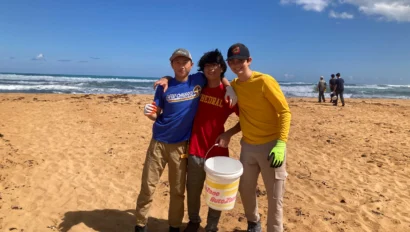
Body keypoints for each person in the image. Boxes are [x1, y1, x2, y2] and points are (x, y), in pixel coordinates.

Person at [134, 48, 237, 232]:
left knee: (179, 191)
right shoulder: (165, 86)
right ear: (171, 64)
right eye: (177, 62)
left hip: (185, 146)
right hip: (162, 142)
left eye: (184, 62)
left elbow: (217, 74)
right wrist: (150, 113)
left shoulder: (198, 80)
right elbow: (156, 112)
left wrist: (229, 86)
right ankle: (140, 225)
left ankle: (177, 226)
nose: (181, 65)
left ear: (191, 64)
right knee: (149, 187)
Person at [225, 43, 291, 232]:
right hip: (248, 147)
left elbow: (285, 112)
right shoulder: (236, 85)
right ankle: (254, 223)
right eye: (232, 61)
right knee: (245, 190)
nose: (236, 65)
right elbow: (219, 77)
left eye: (240, 61)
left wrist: (281, 143)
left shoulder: (264, 81)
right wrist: (227, 86)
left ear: (249, 61)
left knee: (274, 197)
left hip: (272, 147)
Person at [183, 49, 240, 232]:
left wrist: (229, 133)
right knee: (193, 190)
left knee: (216, 193)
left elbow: (245, 120)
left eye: (214, 65)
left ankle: (212, 227)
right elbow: (179, 79)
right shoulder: (197, 88)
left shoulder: (228, 94)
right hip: (195, 148)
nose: (210, 69)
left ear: (222, 67)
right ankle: (193, 221)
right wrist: (165, 80)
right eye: (207, 66)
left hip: (217, 151)